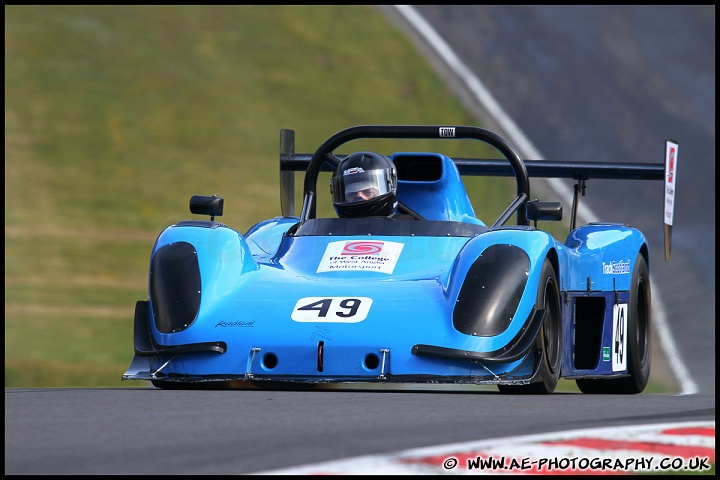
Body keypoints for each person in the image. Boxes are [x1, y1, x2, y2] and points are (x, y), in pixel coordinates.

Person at [330, 151, 399, 218]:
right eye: (352, 194)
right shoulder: (332, 228)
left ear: (391, 184)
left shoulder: (406, 226)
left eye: (368, 192)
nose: (359, 197)